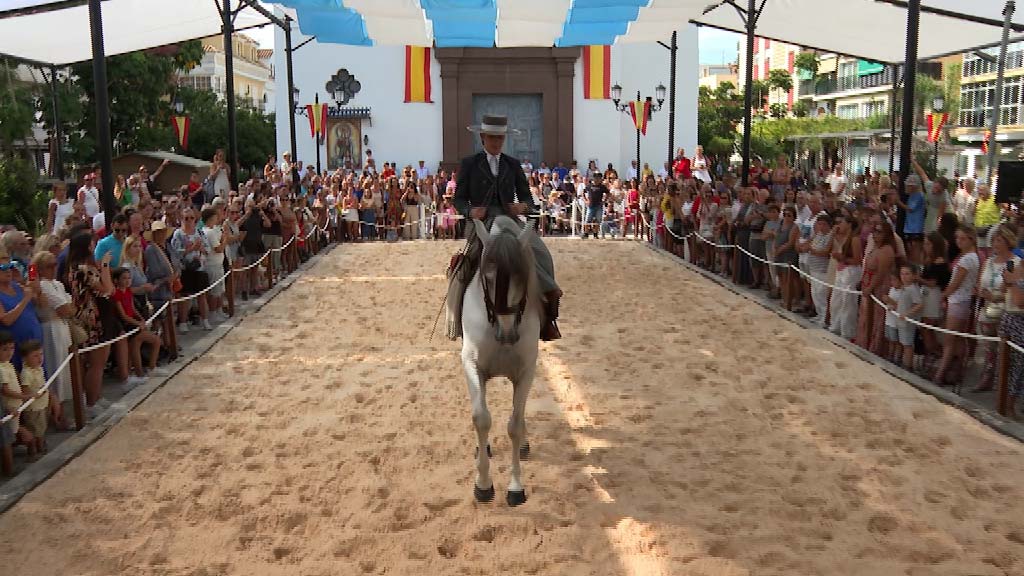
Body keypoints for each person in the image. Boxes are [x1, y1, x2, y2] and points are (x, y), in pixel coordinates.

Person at [449, 113, 562, 341]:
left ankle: (548, 312)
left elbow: (528, 200)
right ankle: (456, 319)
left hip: (510, 221)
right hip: (481, 223)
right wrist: (470, 211)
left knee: (540, 252)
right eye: (492, 137)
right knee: (464, 266)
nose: (497, 142)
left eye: (500, 138)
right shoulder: (470, 164)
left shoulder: (512, 164)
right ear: (483, 137)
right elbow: (458, 199)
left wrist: (521, 207)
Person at [32, 251, 74, 430]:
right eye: (50, 266)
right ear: (41, 269)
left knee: (65, 370)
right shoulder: (43, 286)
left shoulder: (56, 284)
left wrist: (65, 309)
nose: (54, 268)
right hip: (50, 330)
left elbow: (71, 308)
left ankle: (63, 413)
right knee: (55, 369)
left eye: (55, 264)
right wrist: (64, 309)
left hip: (62, 327)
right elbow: (66, 308)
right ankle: (57, 416)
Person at [934, 226, 979, 386]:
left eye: (962, 238)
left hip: (958, 300)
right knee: (957, 339)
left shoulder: (967, 259)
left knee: (950, 339)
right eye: (957, 238)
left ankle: (940, 374)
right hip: (962, 300)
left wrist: (944, 295)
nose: (958, 241)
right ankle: (956, 371)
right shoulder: (972, 256)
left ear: (970, 239)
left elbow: (956, 283)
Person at [111, 268, 159, 383]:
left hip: (134, 322)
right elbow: (123, 315)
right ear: (116, 280)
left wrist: (142, 319)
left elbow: (132, 308)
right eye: (124, 278)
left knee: (151, 342)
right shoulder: (116, 294)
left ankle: (148, 369)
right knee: (141, 344)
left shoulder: (128, 291)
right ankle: (141, 372)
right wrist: (137, 323)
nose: (127, 280)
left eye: (129, 278)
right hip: (126, 325)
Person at [882, 265, 924, 370]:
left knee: (907, 345)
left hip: (908, 322)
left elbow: (919, 304)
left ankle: (907, 366)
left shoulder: (913, 289)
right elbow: (902, 303)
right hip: (901, 321)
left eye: (907, 274)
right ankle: (904, 364)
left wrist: (907, 313)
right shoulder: (905, 288)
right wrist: (894, 307)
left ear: (914, 276)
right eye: (902, 274)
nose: (904, 276)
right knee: (903, 343)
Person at [0, 331, 34, 457]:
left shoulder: (8, 364)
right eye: (4, 349)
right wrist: (24, 396)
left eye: (12, 348)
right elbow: (5, 390)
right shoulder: (1, 368)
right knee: (11, 432)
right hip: (9, 406)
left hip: (16, 405)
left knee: (14, 430)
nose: (9, 352)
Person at [18, 340, 47, 457]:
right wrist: (34, 394)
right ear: (25, 358)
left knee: (41, 428)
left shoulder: (39, 369)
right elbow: (25, 389)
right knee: (34, 430)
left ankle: (41, 448)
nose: (39, 358)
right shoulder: (26, 373)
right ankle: (33, 452)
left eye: (41, 354)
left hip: (42, 404)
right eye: (35, 356)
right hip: (33, 408)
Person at [583, 173, 608, 239]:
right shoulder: (589, 186)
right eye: (597, 178)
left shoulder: (602, 187)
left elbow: (608, 193)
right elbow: (583, 192)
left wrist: (604, 201)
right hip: (590, 206)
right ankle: (586, 233)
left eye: (599, 178)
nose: (598, 179)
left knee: (597, 220)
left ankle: (595, 234)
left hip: (599, 206)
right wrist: (586, 200)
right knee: (588, 220)